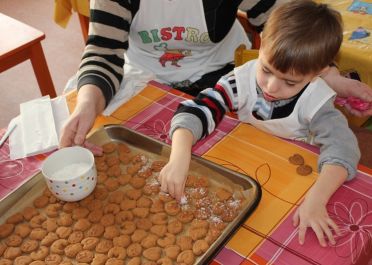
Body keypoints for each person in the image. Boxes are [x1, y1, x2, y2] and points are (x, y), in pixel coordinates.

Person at [158, 0, 361, 247]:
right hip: (249, 163)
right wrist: (179, 155)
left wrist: (317, 199)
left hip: (295, 179)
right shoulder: (240, 80)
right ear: (262, 42)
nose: (271, 87)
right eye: (266, 70)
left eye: (290, 83)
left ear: (317, 72)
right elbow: (198, 109)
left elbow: (343, 149)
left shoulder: (316, 101)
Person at [59, 0, 372, 148]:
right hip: (145, 76)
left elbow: (293, 31)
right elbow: (103, 51)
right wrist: (88, 105)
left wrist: (329, 75)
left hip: (220, 74)